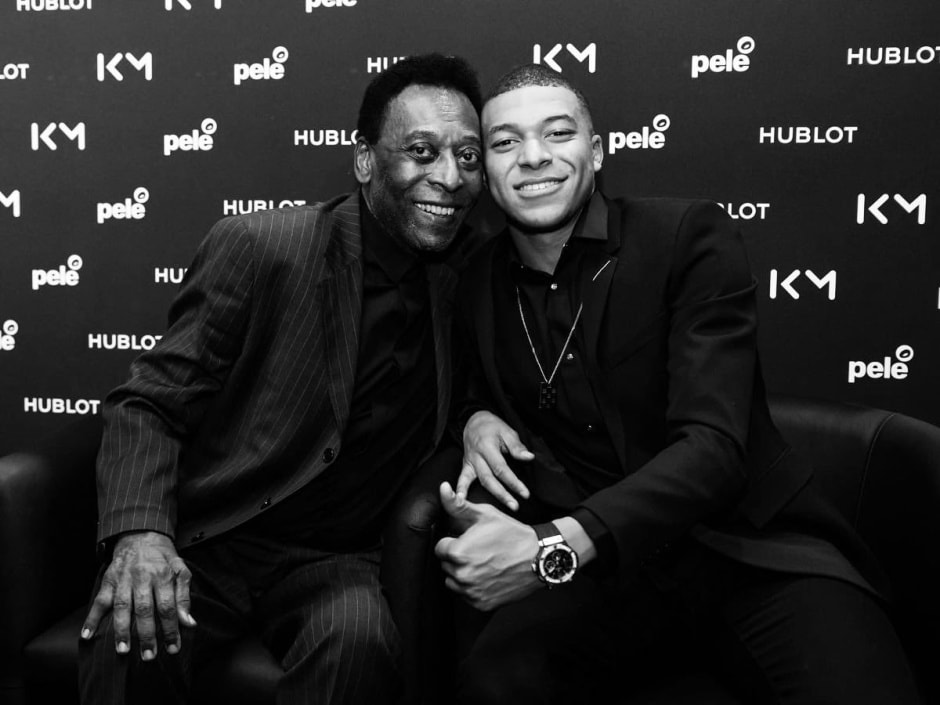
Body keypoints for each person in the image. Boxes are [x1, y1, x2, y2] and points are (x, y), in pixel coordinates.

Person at [434, 63, 921, 704]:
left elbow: (715, 449)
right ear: (485, 170)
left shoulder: (685, 238)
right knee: (491, 682)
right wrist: (475, 418)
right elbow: (468, 384)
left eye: (558, 133)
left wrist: (551, 548)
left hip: (746, 549)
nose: (533, 157)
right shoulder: (475, 279)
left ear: (596, 152)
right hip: (613, 579)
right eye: (505, 142)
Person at [78, 53, 483, 705]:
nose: (449, 176)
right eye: (421, 151)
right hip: (213, 539)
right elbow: (148, 404)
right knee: (131, 633)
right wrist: (141, 533)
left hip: (333, 561)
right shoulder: (265, 247)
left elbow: (497, 387)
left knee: (361, 645)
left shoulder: (469, 278)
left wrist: (477, 419)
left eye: (468, 156)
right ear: (365, 160)